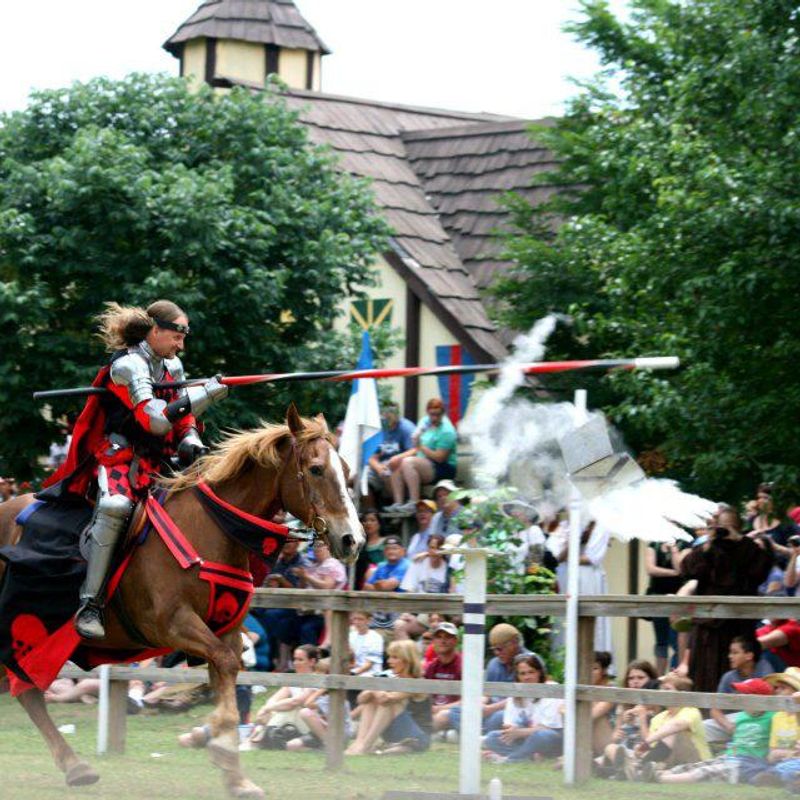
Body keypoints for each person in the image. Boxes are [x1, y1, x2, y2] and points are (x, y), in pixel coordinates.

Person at [44, 300, 228, 639]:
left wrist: (190, 439)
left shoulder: (172, 367)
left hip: (158, 457)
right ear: (155, 331)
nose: (181, 345)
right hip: (120, 455)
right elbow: (154, 420)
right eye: (176, 336)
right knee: (116, 506)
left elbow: (180, 417)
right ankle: (90, 603)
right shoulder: (129, 365)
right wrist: (206, 395)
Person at [677, 511, 774, 692]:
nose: (724, 532)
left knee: (737, 674)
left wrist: (740, 540)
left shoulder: (748, 548)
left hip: (738, 625)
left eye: (728, 526)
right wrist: (708, 543)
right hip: (708, 626)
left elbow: (761, 572)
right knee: (704, 678)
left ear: (738, 528)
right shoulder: (709, 548)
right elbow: (686, 570)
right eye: (721, 527)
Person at [652, 677, 773, 785]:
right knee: (693, 767)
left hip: (750, 763)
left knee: (705, 772)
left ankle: (659, 779)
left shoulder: (772, 716)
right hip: (730, 756)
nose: (741, 699)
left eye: (745, 695)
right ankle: (658, 773)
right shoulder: (742, 716)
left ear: (760, 699)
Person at [616, 674, 712, 781]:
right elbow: (654, 748)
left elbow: (676, 725)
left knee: (671, 731)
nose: (662, 692)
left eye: (667, 689)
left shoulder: (691, 710)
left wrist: (646, 743)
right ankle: (614, 770)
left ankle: (636, 769)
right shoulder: (658, 718)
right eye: (662, 689)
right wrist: (642, 719)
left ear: (682, 694)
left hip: (698, 763)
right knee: (611, 748)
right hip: (669, 761)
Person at [345, 640, 432, 755]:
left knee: (388, 703)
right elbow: (361, 699)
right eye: (390, 657)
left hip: (416, 738)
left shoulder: (417, 682)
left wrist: (374, 688)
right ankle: (360, 742)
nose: (389, 661)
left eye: (395, 657)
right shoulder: (389, 675)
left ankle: (366, 746)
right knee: (371, 700)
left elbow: (387, 699)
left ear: (407, 660)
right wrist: (373, 690)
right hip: (393, 733)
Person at [482, 653, 563, 763]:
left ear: (539, 672)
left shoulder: (551, 689)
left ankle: (510, 759)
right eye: (522, 674)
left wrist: (519, 732)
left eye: (531, 672)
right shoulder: (516, 693)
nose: (527, 677)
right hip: (525, 738)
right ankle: (529, 756)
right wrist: (510, 731)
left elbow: (548, 728)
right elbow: (510, 725)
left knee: (541, 736)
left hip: (551, 738)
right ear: (517, 676)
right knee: (493, 737)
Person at [386, 398, 457, 514]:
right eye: (432, 414)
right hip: (424, 460)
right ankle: (398, 503)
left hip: (443, 466)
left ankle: (414, 502)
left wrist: (421, 447)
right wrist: (398, 457)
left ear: (443, 413)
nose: (434, 417)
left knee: (408, 462)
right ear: (427, 412)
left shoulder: (447, 431)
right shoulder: (425, 422)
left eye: (437, 414)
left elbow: (440, 457)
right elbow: (415, 444)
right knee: (397, 463)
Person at [704, 637, 774, 746]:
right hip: (735, 722)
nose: (730, 656)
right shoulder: (728, 677)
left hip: (760, 720)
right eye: (730, 653)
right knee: (704, 727)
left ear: (749, 656)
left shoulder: (764, 669)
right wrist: (729, 727)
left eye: (735, 653)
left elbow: (770, 705)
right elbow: (715, 710)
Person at [645, 539, 690, 674]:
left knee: (677, 640)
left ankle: (675, 674)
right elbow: (651, 569)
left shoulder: (685, 543)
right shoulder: (653, 544)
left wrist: (674, 549)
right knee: (661, 641)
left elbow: (681, 567)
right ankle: (659, 676)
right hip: (658, 598)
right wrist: (674, 573)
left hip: (678, 598)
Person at [752, 667, 800, 787]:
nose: (777, 691)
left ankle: (781, 778)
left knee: (791, 767)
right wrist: (789, 753)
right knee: (766, 767)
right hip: (780, 762)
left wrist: (785, 753)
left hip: (794, 762)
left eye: (783, 688)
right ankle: (784, 779)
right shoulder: (777, 717)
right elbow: (772, 754)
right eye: (776, 687)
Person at [365, 403, 415, 508]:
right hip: (382, 466)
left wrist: (399, 457)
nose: (389, 416)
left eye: (392, 412)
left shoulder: (407, 428)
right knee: (364, 480)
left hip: (398, 465)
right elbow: (372, 456)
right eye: (386, 413)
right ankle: (372, 515)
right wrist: (378, 467)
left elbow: (415, 449)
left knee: (391, 470)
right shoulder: (380, 429)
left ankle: (397, 506)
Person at [364, 537, 411, 641]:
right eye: (388, 548)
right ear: (384, 552)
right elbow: (366, 587)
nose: (391, 551)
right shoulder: (381, 566)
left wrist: (380, 585)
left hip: (400, 611)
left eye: (395, 548)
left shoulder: (406, 565)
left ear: (403, 551)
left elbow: (388, 585)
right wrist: (381, 585)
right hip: (381, 612)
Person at [425, 622, 463, 733]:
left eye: (448, 637)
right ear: (433, 641)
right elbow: (425, 695)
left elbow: (469, 700)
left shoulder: (464, 665)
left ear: (455, 641)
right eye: (439, 637)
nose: (443, 641)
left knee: (443, 715)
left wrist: (439, 709)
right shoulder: (432, 666)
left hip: (454, 713)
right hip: (433, 712)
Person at [353, 509, 385, 589]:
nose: (368, 523)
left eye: (372, 520)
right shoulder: (359, 545)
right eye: (365, 521)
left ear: (379, 523)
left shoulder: (386, 542)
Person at [349, 612, 384, 677]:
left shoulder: (376, 637)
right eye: (354, 619)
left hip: (371, 674)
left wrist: (353, 673)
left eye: (360, 619)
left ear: (369, 620)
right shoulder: (351, 636)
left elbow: (369, 664)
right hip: (354, 671)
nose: (356, 622)